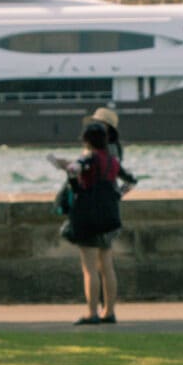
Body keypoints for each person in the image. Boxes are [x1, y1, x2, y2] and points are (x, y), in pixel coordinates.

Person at [51, 121, 123, 325]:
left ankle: (92, 312)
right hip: (109, 218)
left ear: (87, 141)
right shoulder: (112, 160)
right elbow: (130, 180)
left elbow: (76, 171)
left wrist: (67, 170)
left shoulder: (88, 158)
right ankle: (109, 311)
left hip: (89, 219)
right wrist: (119, 194)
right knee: (107, 267)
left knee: (89, 268)